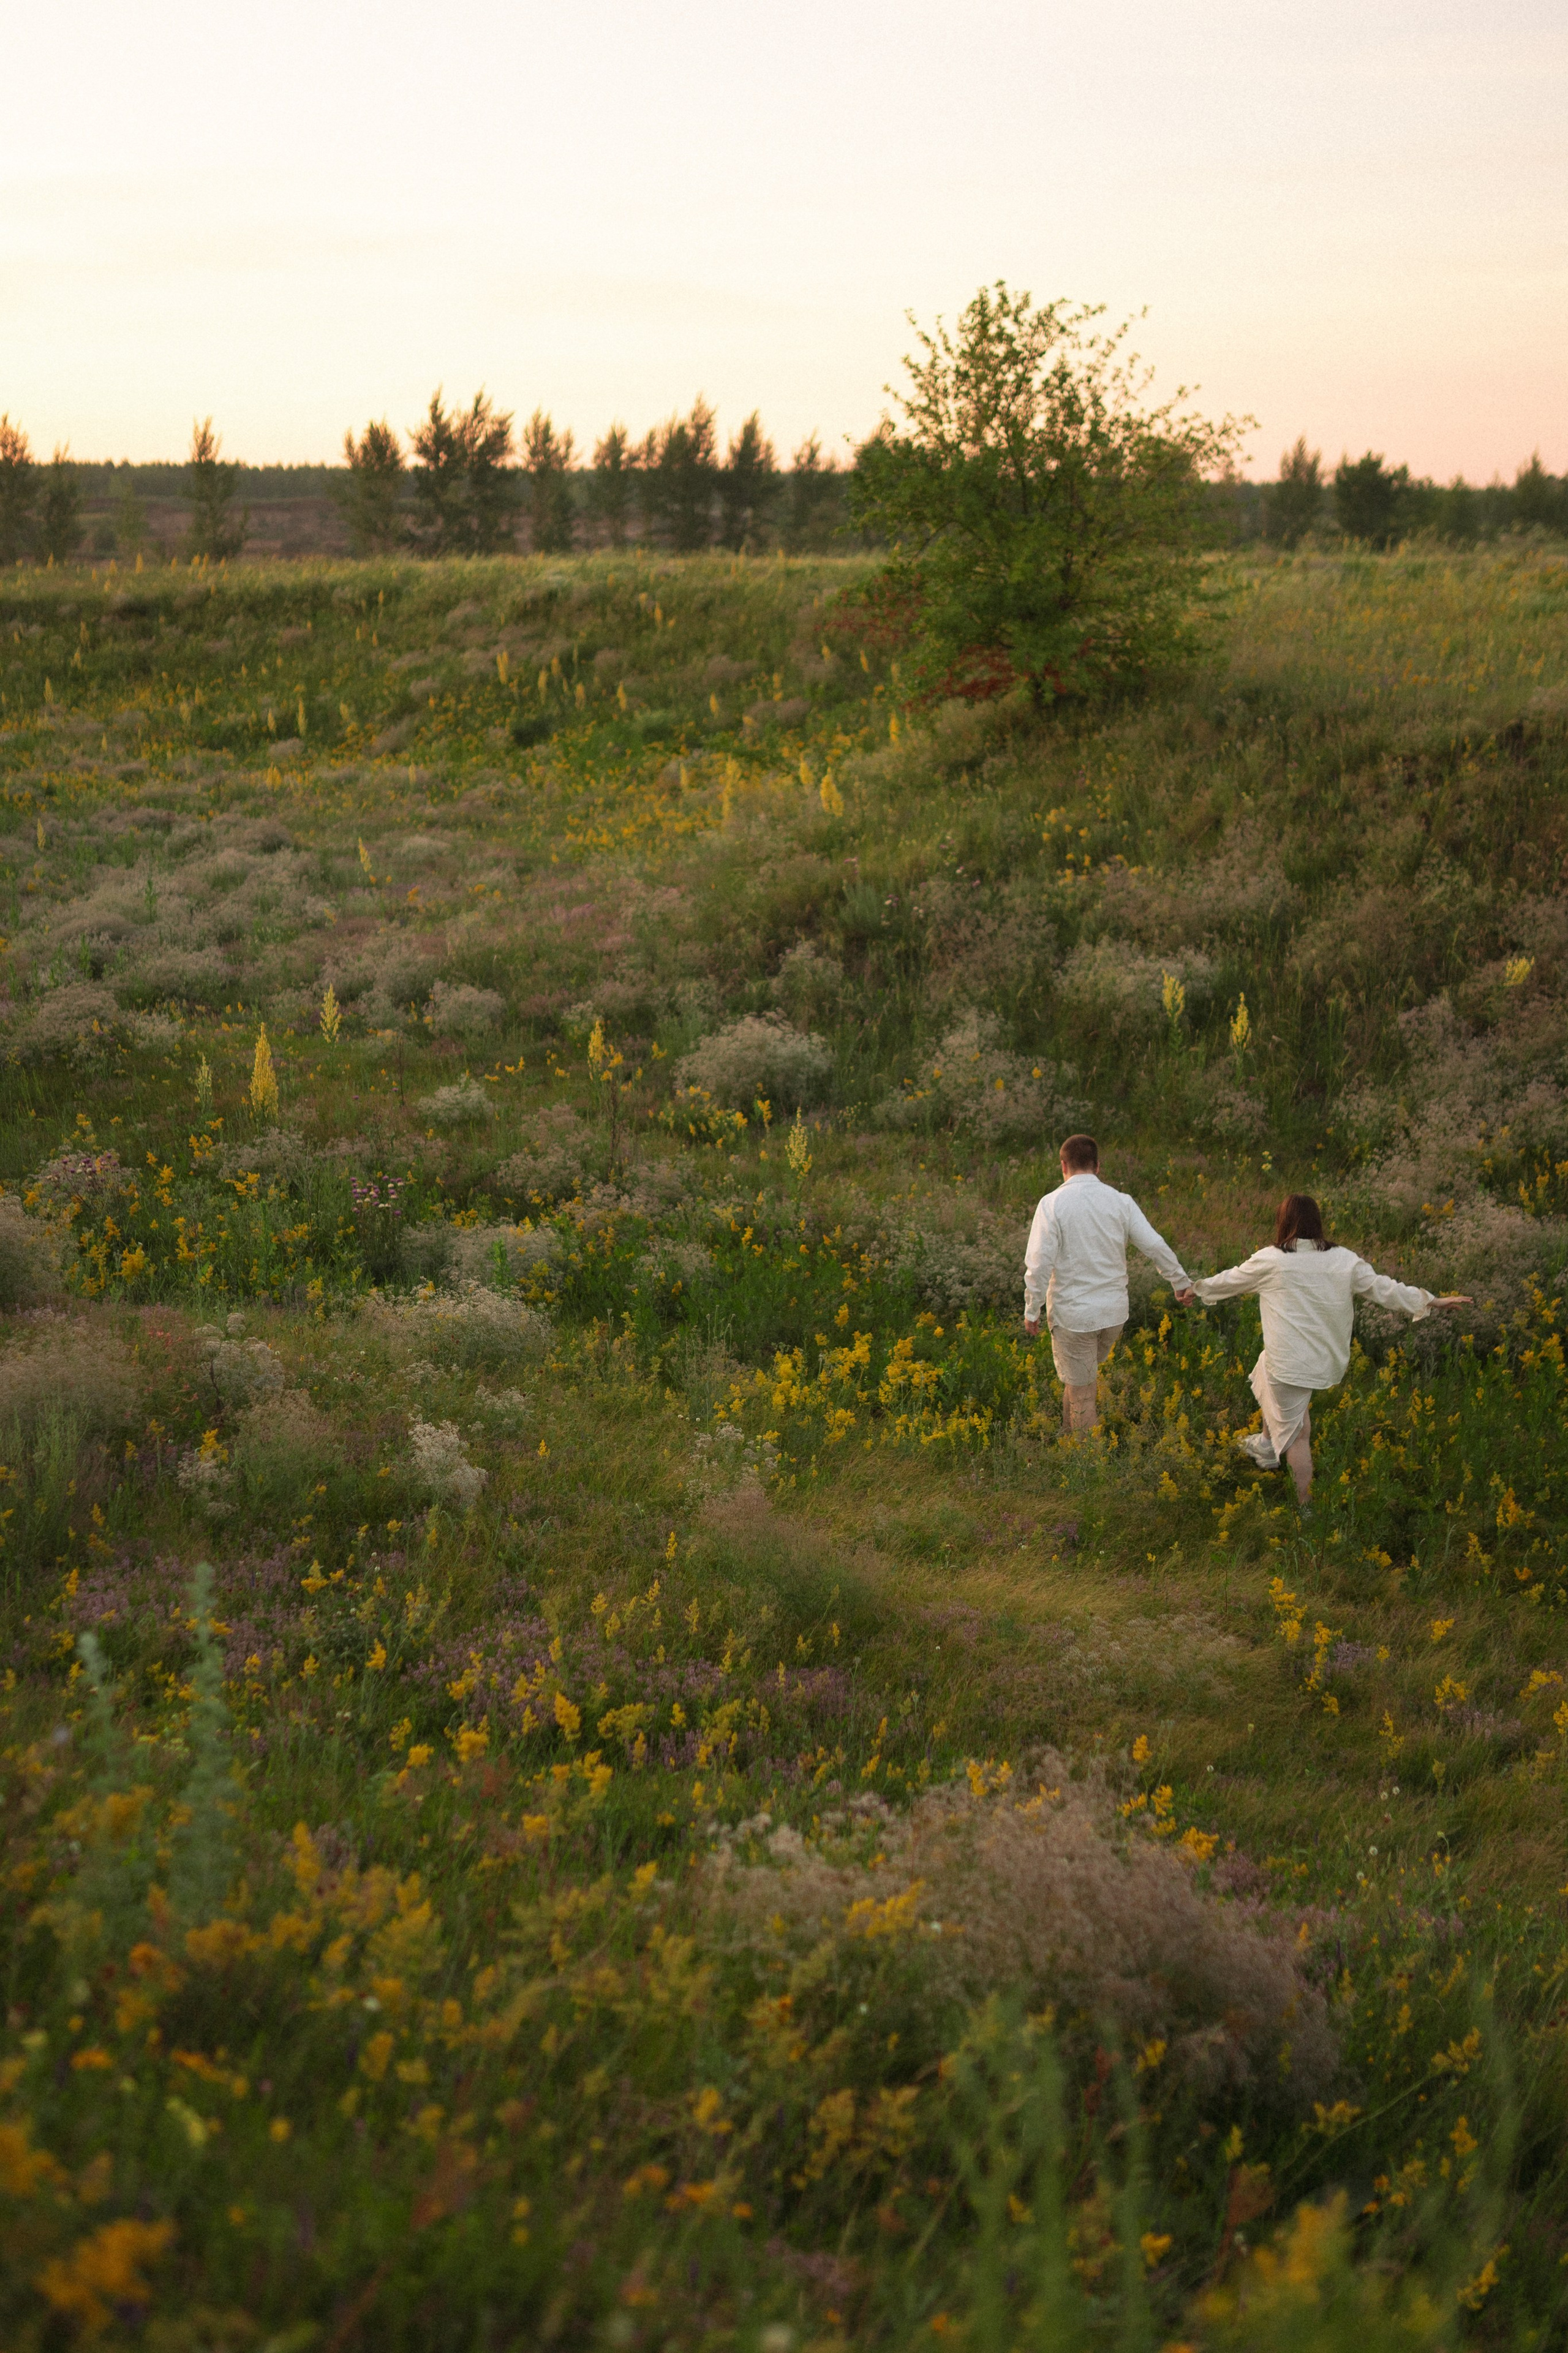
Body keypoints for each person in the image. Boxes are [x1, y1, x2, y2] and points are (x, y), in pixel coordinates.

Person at [1189, 1193, 1471, 1510]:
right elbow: (1385, 1289)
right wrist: (1432, 1300)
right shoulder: (1344, 1260)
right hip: (1322, 1359)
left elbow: (1229, 1280)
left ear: (1283, 1222)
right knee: (1266, 1366)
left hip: (1290, 1364)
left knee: (1298, 1434)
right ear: (1317, 1222)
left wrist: (1194, 1289)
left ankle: (1306, 1507)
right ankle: (1267, 1445)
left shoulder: (1272, 1260)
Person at [1023, 1134, 1196, 1433]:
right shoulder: (1121, 1202)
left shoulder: (1051, 1204)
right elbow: (1154, 1245)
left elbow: (1039, 1263)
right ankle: (1067, 1436)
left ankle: (1088, 1460)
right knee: (1079, 1379)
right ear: (1098, 1166)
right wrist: (1180, 1281)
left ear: (1063, 1165)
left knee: (1083, 1394)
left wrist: (1031, 1309)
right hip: (1113, 1315)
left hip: (1075, 1318)